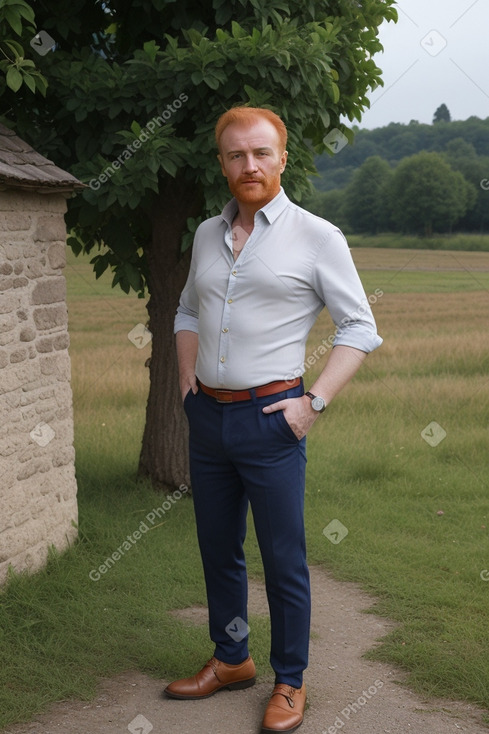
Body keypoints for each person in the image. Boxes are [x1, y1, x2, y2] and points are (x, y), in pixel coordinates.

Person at [165, 106, 382, 732]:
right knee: (218, 550)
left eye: (261, 153)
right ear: (222, 163)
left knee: (283, 557)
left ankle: (290, 681)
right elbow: (185, 313)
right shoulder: (208, 233)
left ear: (283, 158)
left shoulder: (318, 237)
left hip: (273, 420)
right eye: (236, 155)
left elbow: (360, 327)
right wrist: (187, 384)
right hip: (208, 420)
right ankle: (231, 658)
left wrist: (312, 405)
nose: (249, 165)